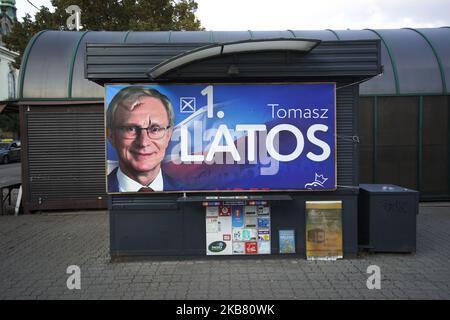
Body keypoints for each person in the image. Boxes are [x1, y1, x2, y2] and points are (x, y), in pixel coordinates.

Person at [106, 86, 177, 192]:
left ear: (169, 135)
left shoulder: (187, 189)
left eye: (155, 129)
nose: (143, 142)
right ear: (111, 135)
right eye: (131, 129)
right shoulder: (96, 194)